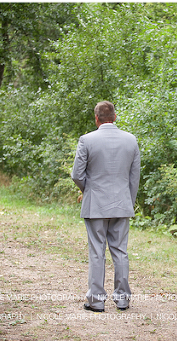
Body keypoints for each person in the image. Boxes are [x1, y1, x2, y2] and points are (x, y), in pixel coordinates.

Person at [71, 101, 141, 312]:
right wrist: (128, 201)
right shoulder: (131, 140)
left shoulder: (87, 140)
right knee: (120, 251)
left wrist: (89, 190)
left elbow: (77, 175)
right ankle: (122, 298)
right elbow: (134, 177)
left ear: (96, 119)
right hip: (122, 203)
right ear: (115, 117)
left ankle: (96, 300)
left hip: (96, 205)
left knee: (97, 252)